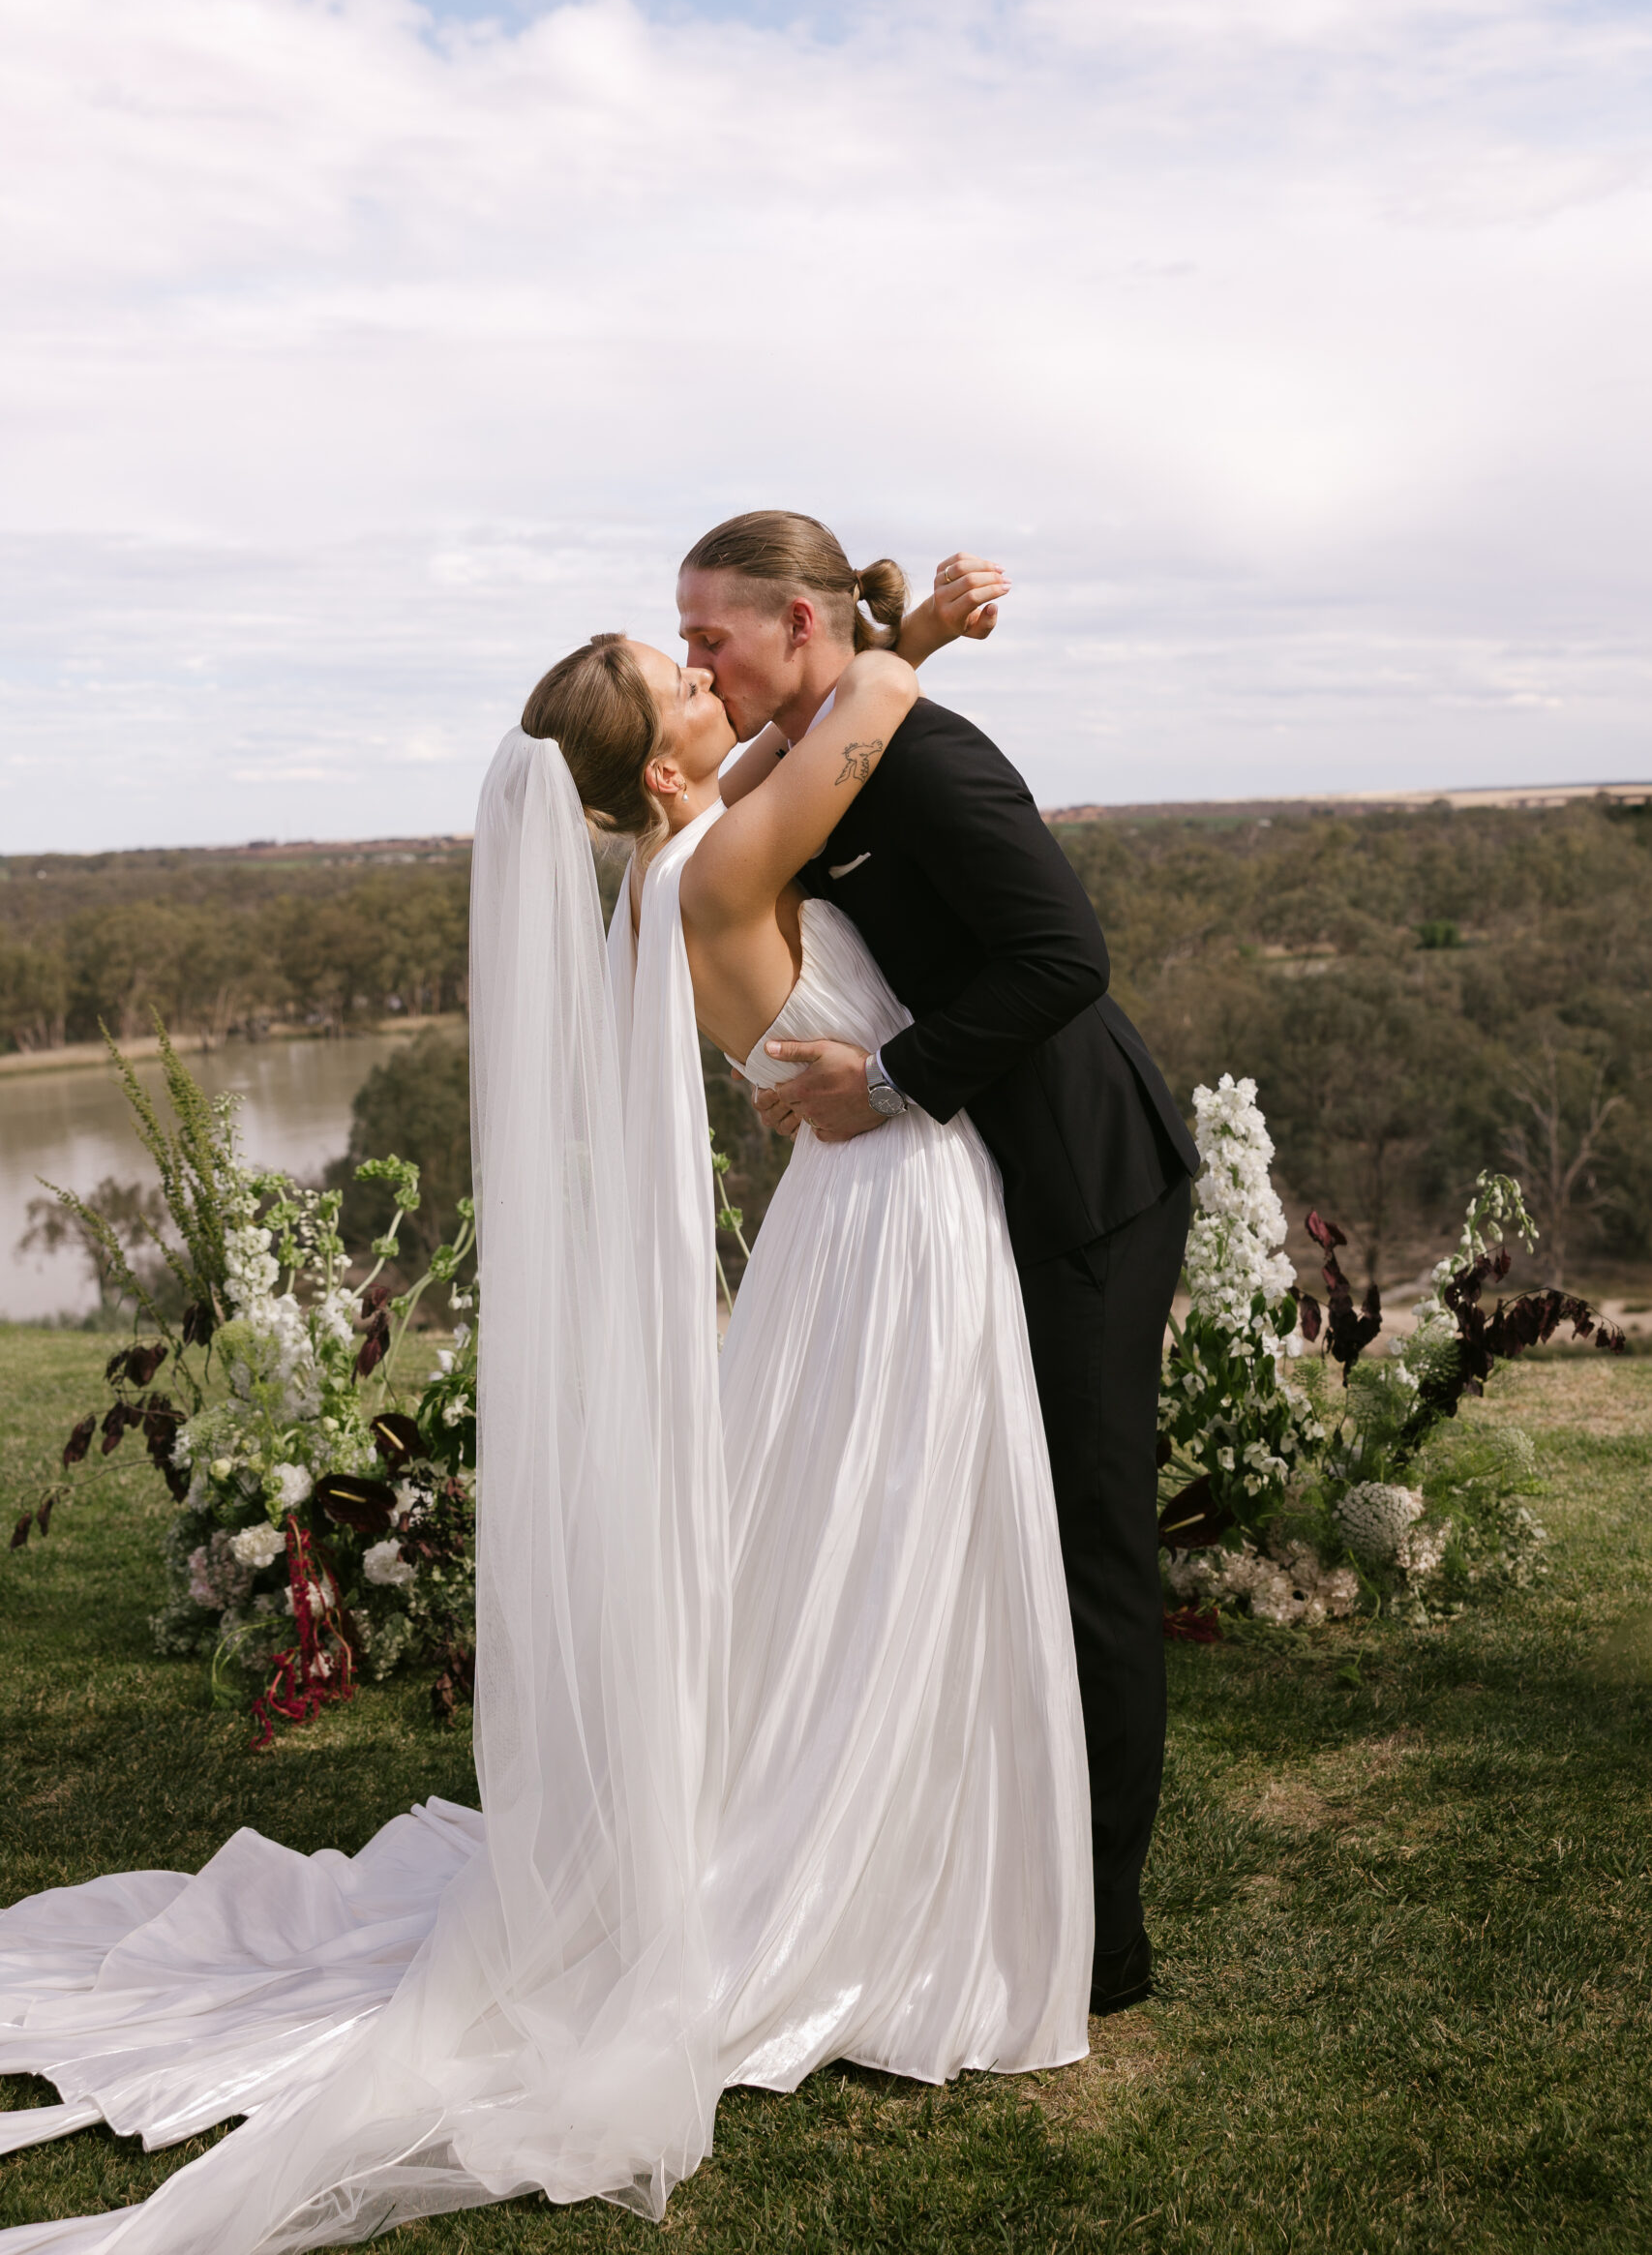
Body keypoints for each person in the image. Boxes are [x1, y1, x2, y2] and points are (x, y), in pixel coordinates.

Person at [0, 556, 1088, 2251]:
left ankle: (893, 1824)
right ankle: (877, 1880)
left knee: (850, 1548)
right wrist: (884, 634)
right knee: (892, 1535)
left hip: (852, 1216)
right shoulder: (724, 856)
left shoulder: (675, 859)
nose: (718, 690)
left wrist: (881, 635)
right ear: (661, 771)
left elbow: (788, 745)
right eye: (691, 685)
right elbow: (862, 711)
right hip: (894, 1220)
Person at [677, 510, 1198, 2015]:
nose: (702, 659)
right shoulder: (835, 737)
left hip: (1082, 1184)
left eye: (713, 630)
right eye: (689, 638)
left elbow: (1065, 961)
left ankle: (1101, 1937)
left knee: (1091, 1539)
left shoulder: (931, 754)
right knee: (990, 1527)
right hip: (959, 1192)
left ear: (796, 623)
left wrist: (885, 1080)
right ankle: (981, 1854)